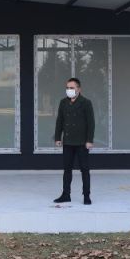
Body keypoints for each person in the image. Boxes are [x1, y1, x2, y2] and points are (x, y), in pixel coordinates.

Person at [53, 77, 95, 205]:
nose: (69, 90)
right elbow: (60, 121)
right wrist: (57, 137)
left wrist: (89, 140)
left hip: (82, 142)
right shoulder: (63, 102)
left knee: (84, 170)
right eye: (67, 88)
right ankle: (66, 195)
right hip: (68, 141)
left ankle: (86, 196)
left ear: (79, 89)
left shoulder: (86, 103)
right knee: (67, 170)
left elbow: (91, 123)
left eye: (72, 88)